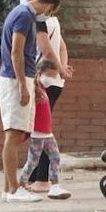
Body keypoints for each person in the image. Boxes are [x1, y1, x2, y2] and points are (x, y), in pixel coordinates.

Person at [0, 0, 59, 202]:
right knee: (13, 135)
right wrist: (24, 85)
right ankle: (15, 189)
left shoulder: (21, 13)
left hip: (17, 79)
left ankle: (8, 189)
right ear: (49, 6)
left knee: (16, 134)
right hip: (14, 80)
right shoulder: (24, 15)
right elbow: (17, 51)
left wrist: (31, 84)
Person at [29, 0, 73, 191]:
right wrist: (63, 68)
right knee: (41, 129)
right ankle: (37, 177)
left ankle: (42, 179)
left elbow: (46, 51)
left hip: (44, 80)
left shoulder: (41, 22)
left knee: (41, 131)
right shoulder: (55, 22)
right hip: (55, 81)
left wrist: (59, 69)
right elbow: (63, 48)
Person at [18, 58, 71, 200]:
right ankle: (20, 184)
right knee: (32, 162)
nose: (52, 79)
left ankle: (54, 186)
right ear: (40, 73)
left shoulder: (43, 88)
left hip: (48, 132)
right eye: (50, 76)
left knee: (55, 157)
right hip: (37, 133)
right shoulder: (34, 89)